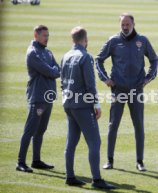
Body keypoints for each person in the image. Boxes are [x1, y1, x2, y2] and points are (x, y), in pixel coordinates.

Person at [96, 13, 158, 171]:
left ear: (133, 24)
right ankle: (109, 160)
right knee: (113, 125)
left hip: (136, 90)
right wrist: (105, 79)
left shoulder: (142, 41)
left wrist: (148, 78)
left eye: (127, 24)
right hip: (118, 90)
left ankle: (140, 161)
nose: (125, 27)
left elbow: (154, 59)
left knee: (139, 126)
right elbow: (98, 59)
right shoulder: (113, 41)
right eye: (122, 24)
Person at [61, 26, 115, 189]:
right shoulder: (85, 57)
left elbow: (62, 82)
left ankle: (70, 176)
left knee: (71, 141)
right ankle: (97, 180)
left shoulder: (65, 56)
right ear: (85, 40)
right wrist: (96, 105)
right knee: (94, 142)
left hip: (68, 103)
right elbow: (90, 85)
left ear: (73, 40)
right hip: (82, 106)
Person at [16, 25, 60, 173]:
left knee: (41, 130)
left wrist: (53, 71)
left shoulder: (47, 51)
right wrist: (53, 71)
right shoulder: (33, 53)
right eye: (44, 35)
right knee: (30, 130)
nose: (47, 38)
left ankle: (36, 160)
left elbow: (57, 70)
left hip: (48, 98)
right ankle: (20, 162)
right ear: (36, 35)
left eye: (48, 35)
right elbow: (50, 71)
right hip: (38, 97)